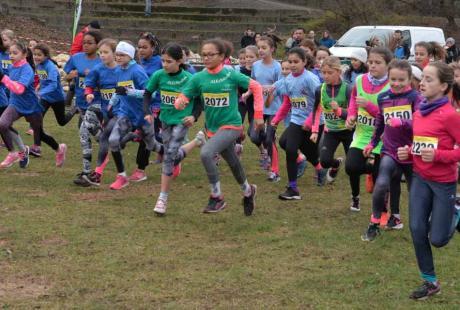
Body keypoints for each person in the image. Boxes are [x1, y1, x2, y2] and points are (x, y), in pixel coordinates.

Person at [174, 38, 263, 215]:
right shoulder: (199, 77)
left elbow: (256, 87)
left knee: (206, 153)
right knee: (232, 162)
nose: (206, 58)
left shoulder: (230, 74)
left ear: (222, 56)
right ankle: (248, 191)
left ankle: (217, 197)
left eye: (211, 55)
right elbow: (185, 95)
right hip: (212, 128)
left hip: (231, 125)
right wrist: (180, 102)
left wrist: (259, 115)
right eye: (204, 55)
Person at [396, 62, 460, 300]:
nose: (422, 82)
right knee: (416, 228)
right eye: (422, 78)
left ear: (444, 86)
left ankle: (456, 209)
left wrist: (440, 156)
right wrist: (408, 151)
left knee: (438, 240)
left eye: (429, 79)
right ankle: (430, 282)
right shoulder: (419, 111)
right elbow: (422, 144)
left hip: (443, 181)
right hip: (420, 177)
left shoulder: (450, 115)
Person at [361, 59, 422, 241]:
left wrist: (402, 122)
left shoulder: (415, 98)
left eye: (401, 80)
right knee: (381, 185)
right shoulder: (383, 98)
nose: (396, 83)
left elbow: (421, 123)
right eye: (393, 79)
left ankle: (420, 225)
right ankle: (374, 223)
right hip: (390, 150)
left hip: (412, 152)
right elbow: (380, 121)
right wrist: (372, 143)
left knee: (416, 192)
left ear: (410, 79)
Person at [143, 43, 204, 215]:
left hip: (181, 121)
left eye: (168, 61)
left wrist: (193, 116)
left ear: (179, 61)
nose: (164, 64)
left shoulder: (189, 78)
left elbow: (199, 100)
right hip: (165, 120)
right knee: (172, 154)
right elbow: (147, 93)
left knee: (169, 155)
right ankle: (198, 141)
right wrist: (147, 112)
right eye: (162, 61)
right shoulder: (159, 75)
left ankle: (162, 198)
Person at [271, 47, 326, 200]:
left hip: (314, 122)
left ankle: (319, 168)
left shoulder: (310, 79)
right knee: (288, 147)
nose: (293, 65)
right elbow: (287, 103)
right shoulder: (288, 80)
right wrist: (276, 119)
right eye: (290, 62)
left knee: (310, 151)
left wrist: (309, 123)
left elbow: (319, 103)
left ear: (304, 62)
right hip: (296, 120)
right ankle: (293, 188)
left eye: (296, 62)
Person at [108, 41, 163, 190]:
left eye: (122, 55)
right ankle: (122, 177)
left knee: (152, 145)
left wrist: (129, 92)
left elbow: (151, 93)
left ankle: (172, 157)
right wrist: (111, 103)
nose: (118, 58)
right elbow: (119, 90)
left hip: (144, 115)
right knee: (113, 140)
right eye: (117, 54)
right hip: (127, 115)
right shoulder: (118, 70)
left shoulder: (137, 71)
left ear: (130, 56)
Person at [345, 47, 392, 212]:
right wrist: (351, 115)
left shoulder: (392, 86)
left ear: (388, 65)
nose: (372, 66)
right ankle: (355, 197)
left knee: (382, 176)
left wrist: (369, 106)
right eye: (370, 62)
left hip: (383, 138)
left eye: (378, 63)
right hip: (362, 134)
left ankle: (382, 211)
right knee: (351, 167)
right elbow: (353, 99)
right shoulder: (360, 80)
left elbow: (388, 116)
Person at [64, 31, 103, 185]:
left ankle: (88, 173)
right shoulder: (76, 58)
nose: (85, 45)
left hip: (95, 104)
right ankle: (112, 146)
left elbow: (106, 83)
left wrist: (92, 78)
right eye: (84, 43)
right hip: (81, 103)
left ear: (97, 45)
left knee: (84, 134)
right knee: (91, 135)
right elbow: (66, 76)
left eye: (89, 43)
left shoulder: (101, 62)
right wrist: (71, 76)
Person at [0, 42, 46, 169]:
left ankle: (58, 149)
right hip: (15, 104)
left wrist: (3, 78)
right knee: (3, 124)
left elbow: (19, 89)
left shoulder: (27, 70)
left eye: (15, 53)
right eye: (10, 53)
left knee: (43, 134)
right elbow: (8, 84)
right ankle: (13, 153)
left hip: (30, 106)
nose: (11, 56)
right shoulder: (11, 67)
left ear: (24, 54)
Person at [81, 38, 119, 186]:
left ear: (115, 53)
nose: (102, 55)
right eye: (100, 52)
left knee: (111, 140)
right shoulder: (97, 69)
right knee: (107, 140)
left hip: (123, 111)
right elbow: (88, 85)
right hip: (106, 112)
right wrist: (88, 93)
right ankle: (100, 173)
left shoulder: (123, 70)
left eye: (106, 52)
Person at [311, 56, 352, 185]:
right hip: (331, 131)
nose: (326, 76)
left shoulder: (348, 89)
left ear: (339, 72)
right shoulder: (320, 89)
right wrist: (315, 131)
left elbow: (353, 113)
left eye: (330, 73)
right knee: (324, 161)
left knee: (351, 167)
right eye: (323, 73)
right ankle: (335, 165)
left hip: (348, 131)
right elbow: (316, 110)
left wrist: (339, 110)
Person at [129, 32, 163, 183]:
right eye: (139, 47)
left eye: (145, 47)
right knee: (148, 135)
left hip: (156, 105)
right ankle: (166, 150)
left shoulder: (161, 62)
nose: (141, 50)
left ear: (153, 48)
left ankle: (140, 170)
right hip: (139, 104)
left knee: (146, 137)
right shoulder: (136, 63)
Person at [249, 36, 282, 182]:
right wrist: (247, 93)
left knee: (269, 139)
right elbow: (253, 84)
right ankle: (268, 147)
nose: (260, 50)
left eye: (264, 48)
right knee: (254, 136)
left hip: (273, 108)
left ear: (272, 49)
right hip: (259, 108)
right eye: (259, 47)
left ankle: (275, 171)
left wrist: (269, 95)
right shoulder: (255, 65)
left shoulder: (277, 67)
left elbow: (279, 87)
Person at [32, 43, 68, 165]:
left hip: (57, 98)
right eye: (35, 54)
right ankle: (37, 147)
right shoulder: (39, 65)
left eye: (39, 55)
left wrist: (41, 92)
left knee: (62, 121)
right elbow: (44, 80)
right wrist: (39, 86)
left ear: (46, 56)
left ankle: (74, 109)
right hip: (45, 98)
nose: (36, 57)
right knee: (36, 123)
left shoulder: (51, 67)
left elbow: (53, 85)